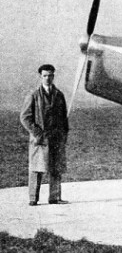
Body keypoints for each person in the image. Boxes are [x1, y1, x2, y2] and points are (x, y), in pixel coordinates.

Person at [20, 64, 70, 206]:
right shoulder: (33, 95)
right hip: (40, 139)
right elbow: (25, 117)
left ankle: (54, 198)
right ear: (40, 77)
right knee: (37, 169)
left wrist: (64, 135)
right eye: (45, 76)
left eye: (50, 75)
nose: (48, 78)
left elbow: (63, 117)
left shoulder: (59, 95)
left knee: (56, 168)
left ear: (53, 76)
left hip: (56, 139)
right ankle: (32, 199)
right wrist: (38, 134)